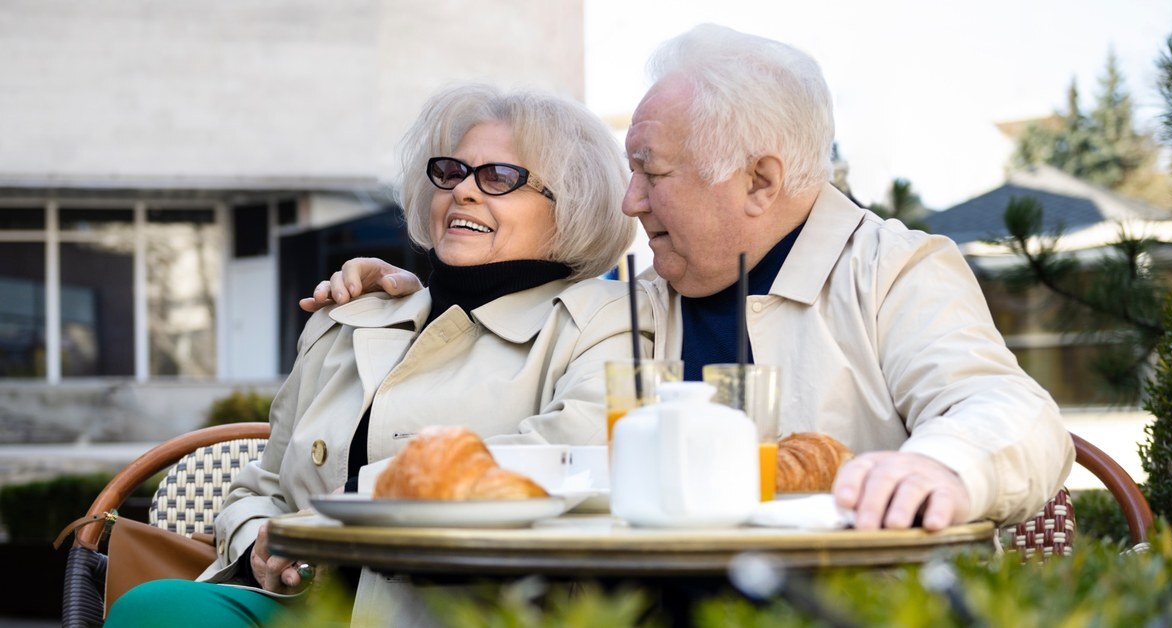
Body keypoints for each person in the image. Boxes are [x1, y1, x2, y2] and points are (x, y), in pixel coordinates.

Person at [307, 24, 1075, 533]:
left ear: (759, 181)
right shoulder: (623, 305)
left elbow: (1006, 408)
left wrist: (941, 464)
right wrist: (404, 298)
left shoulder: (893, 273)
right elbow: (501, 341)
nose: (628, 199)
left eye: (651, 171)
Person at [106, 82, 649, 627]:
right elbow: (259, 487)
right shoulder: (348, 317)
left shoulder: (603, 320)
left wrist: (346, 511)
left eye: (499, 178)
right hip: (307, 609)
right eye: (450, 172)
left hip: (462, 616)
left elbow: (564, 461)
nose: (462, 191)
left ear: (572, 204)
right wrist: (258, 547)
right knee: (154, 609)